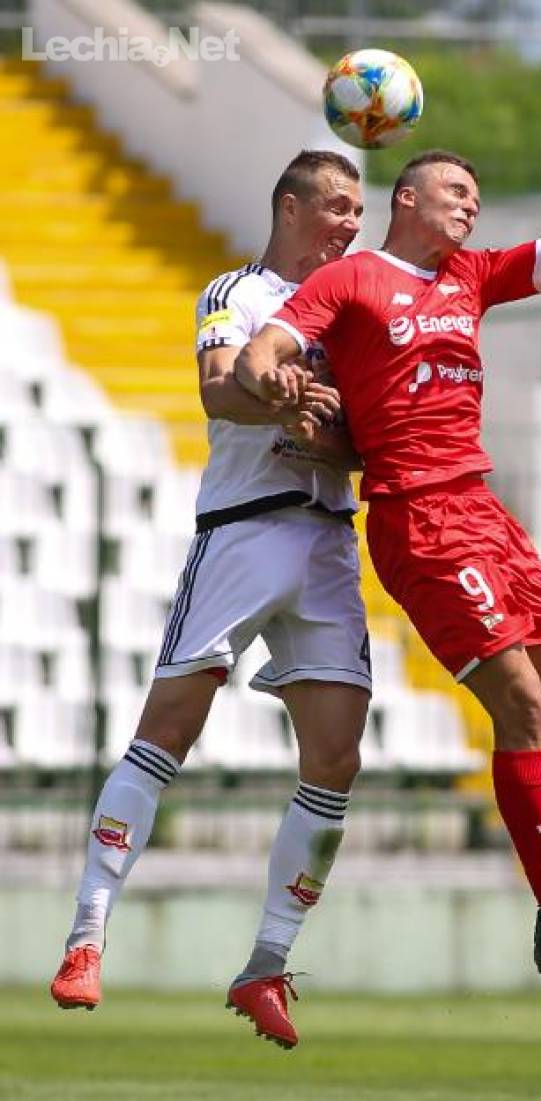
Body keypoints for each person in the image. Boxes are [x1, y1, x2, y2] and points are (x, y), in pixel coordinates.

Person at [234, 93, 541, 990]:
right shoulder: (352, 279)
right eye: (454, 192)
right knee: (523, 704)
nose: (470, 205)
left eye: (474, 195)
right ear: (407, 198)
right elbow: (266, 347)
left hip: (486, 512)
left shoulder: (470, 275)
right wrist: (266, 375)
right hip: (420, 519)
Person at [50, 150, 370, 1048]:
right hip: (243, 529)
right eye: (337, 206)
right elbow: (217, 388)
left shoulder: (352, 309)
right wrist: (279, 400)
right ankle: (87, 934)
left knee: (337, 758)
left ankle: (265, 964)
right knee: (169, 730)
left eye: (358, 210)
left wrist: (330, 434)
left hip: (328, 542)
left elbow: (365, 438)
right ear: (289, 207)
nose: (351, 223)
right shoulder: (238, 291)